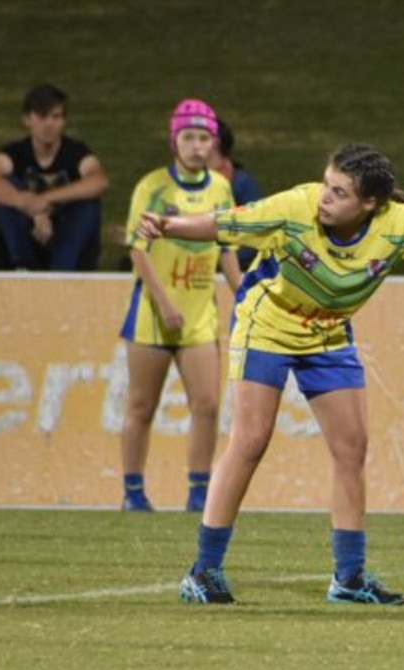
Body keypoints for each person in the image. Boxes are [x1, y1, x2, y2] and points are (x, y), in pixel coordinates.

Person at [137, 142, 404, 605]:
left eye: (339, 192)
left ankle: (349, 578)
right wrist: (167, 225)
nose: (325, 197)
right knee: (250, 441)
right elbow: (225, 224)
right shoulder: (296, 206)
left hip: (329, 336)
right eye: (326, 184)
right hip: (268, 326)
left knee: (351, 448)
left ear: (370, 204)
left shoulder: (399, 226)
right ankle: (203, 571)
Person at [118, 99, 241, 513]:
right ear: (174, 141)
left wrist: (242, 291)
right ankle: (133, 492)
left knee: (206, 405)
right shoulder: (152, 187)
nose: (196, 146)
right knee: (141, 405)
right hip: (153, 315)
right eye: (188, 137)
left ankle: (199, 491)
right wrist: (165, 302)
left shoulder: (221, 188)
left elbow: (225, 246)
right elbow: (138, 250)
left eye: (204, 138)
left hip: (199, 316)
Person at [0, 84, 109, 271]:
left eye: (55, 117)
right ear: (27, 119)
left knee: (88, 204)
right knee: (7, 189)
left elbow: (99, 181)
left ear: (64, 121)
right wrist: (28, 205)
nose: (49, 124)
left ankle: (61, 272)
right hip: (29, 237)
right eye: (42, 117)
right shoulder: (13, 153)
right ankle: (22, 267)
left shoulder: (76, 152)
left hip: (66, 240)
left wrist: (45, 199)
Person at [205, 118, 266, 270]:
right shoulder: (182, 185)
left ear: (215, 143)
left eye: (202, 138)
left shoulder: (243, 185)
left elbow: (255, 236)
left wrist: (220, 259)